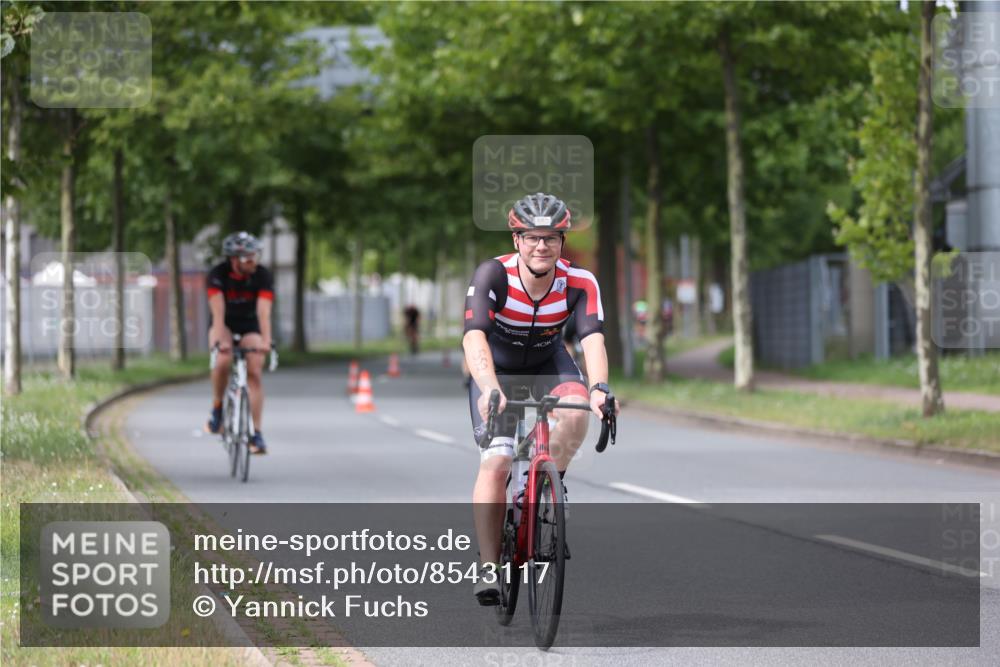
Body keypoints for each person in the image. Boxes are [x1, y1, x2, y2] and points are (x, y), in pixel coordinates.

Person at [462, 192, 619, 605]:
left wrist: (600, 387)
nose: (541, 246)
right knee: (496, 461)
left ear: (562, 242)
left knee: (578, 406)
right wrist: (489, 386)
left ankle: (549, 480)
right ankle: (488, 565)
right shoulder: (493, 275)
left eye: (551, 237)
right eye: (532, 237)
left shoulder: (579, 281)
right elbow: (474, 334)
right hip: (497, 369)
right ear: (517, 240)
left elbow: (593, 340)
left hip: (549, 362)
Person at [204, 231, 274, 455]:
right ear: (234, 259)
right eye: (247, 257)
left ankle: (256, 433)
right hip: (224, 323)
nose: (253, 261)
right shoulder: (217, 275)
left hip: (249, 325)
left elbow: (264, 312)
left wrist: (266, 340)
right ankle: (217, 408)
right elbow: (217, 312)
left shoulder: (262, 275)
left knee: (254, 370)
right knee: (223, 360)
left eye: (255, 255)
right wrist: (218, 340)